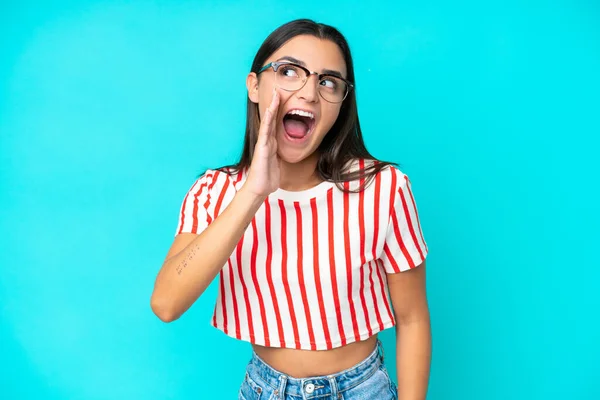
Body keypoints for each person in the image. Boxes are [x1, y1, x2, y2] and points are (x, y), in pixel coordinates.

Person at [151, 18, 431, 400]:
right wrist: (252, 194)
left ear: (341, 102)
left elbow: (413, 318)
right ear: (254, 86)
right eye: (288, 72)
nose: (309, 92)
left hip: (362, 389)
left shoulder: (383, 188)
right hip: (264, 389)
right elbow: (166, 303)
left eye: (328, 81)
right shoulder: (214, 192)